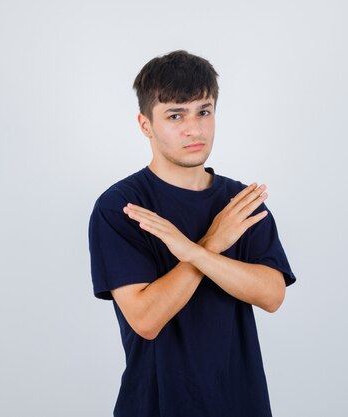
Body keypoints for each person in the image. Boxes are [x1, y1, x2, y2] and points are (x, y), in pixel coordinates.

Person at [88, 50, 296, 417]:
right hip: (156, 406)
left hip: (240, 404)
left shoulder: (240, 202)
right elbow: (147, 320)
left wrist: (195, 252)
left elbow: (272, 294)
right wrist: (213, 243)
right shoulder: (122, 207)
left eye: (204, 111)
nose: (194, 128)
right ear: (145, 124)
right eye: (175, 115)